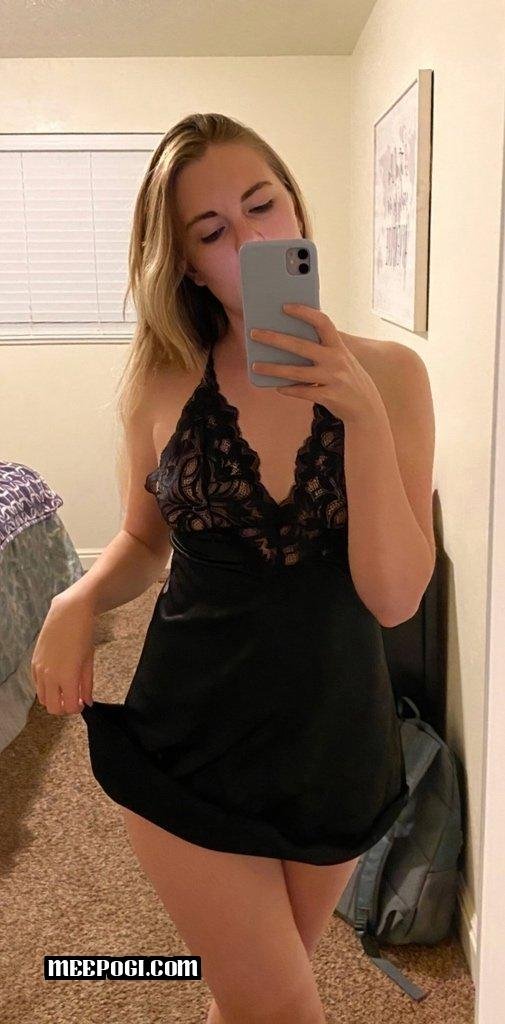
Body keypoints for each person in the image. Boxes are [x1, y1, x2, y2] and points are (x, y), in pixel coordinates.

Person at [32, 112, 432, 1024]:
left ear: (295, 207)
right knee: (278, 1003)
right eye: (212, 231)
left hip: (335, 739)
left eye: (262, 205)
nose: (249, 240)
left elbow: (394, 595)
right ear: (185, 263)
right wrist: (77, 598)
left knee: (251, 991)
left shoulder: (391, 376)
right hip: (191, 733)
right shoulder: (159, 380)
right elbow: (143, 542)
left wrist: (362, 416)